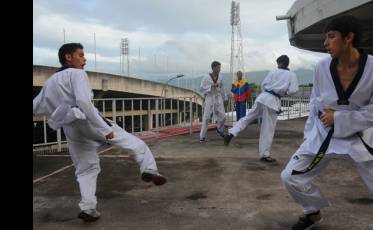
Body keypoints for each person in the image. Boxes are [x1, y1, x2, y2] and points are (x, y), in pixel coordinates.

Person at [33, 43, 167, 222]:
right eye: (81, 55)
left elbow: (35, 106)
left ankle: (88, 208)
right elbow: (84, 102)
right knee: (134, 143)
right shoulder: (78, 74)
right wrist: (105, 129)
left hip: (70, 127)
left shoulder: (50, 82)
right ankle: (150, 169)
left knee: (86, 168)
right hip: (87, 120)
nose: (84, 59)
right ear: (68, 57)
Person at [280, 15, 373, 230]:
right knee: (290, 176)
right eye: (325, 37)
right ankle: (312, 212)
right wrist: (308, 136)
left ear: (349, 37)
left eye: (331, 37)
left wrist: (341, 118)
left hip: (361, 136)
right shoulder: (322, 68)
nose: (325, 43)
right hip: (324, 134)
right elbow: (315, 103)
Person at [224, 55, 299, 163]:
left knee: (248, 117)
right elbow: (293, 90)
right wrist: (284, 92)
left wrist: (269, 91)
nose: (277, 65)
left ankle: (232, 132)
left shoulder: (273, 72)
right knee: (267, 129)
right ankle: (264, 154)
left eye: (278, 63)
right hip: (272, 102)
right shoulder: (292, 75)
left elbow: (263, 85)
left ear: (281, 63)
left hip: (262, 98)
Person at [199, 61, 228, 142]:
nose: (219, 69)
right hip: (209, 97)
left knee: (223, 116)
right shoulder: (206, 77)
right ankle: (202, 136)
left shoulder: (220, 77)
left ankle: (219, 129)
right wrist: (210, 86)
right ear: (213, 68)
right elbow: (201, 88)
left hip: (218, 97)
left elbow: (222, 88)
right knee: (207, 117)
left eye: (220, 67)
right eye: (218, 67)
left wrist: (225, 98)